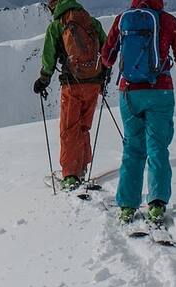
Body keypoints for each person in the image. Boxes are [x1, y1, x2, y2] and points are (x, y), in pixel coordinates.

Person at [100, 0, 176, 225]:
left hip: (130, 93)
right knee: (157, 147)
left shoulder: (122, 20)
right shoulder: (169, 21)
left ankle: (127, 206)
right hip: (160, 92)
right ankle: (157, 203)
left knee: (132, 148)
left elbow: (107, 57)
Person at [33, 0, 107, 192]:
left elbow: (49, 57)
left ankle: (70, 175)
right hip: (94, 82)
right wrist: (103, 75)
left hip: (72, 84)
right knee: (84, 126)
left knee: (68, 129)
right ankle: (81, 166)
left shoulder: (57, 26)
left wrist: (43, 79)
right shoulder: (91, 22)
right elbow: (107, 50)